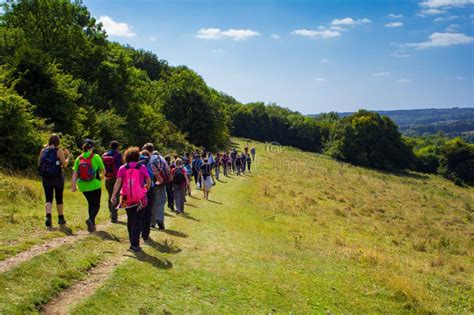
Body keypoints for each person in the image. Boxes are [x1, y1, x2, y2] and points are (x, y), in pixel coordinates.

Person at [111, 147, 151, 252]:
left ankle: (132, 240)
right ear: (137, 157)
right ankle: (135, 244)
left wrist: (113, 195)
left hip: (125, 197)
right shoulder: (142, 167)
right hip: (140, 197)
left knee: (130, 218)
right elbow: (148, 180)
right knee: (137, 220)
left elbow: (118, 182)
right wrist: (146, 189)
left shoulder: (122, 168)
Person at [38, 134, 72, 228]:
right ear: (58, 142)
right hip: (57, 178)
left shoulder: (43, 151)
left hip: (46, 178)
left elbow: (39, 164)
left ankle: (48, 217)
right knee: (59, 198)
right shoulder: (59, 151)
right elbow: (64, 164)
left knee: (48, 198)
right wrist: (68, 156)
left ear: (49, 141)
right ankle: (61, 218)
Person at [72, 139, 105, 232]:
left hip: (83, 186)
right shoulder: (96, 157)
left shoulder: (79, 158)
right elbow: (103, 171)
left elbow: (74, 173)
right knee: (96, 205)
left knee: (91, 203)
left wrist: (74, 186)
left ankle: (92, 225)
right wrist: (101, 177)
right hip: (95, 185)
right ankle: (90, 220)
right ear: (92, 148)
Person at [144, 144, 168, 230]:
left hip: (148, 184)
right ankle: (160, 219)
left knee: (151, 203)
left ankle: (152, 222)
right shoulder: (161, 158)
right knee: (160, 202)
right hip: (160, 184)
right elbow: (167, 170)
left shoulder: (145, 159)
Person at [102, 141, 122, 223]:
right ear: (118, 147)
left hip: (108, 177)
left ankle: (111, 212)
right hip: (116, 178)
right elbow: (121, 166)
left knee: (110, 195)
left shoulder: (104, 155)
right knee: (116, 196)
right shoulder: (118, 155)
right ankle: (114, 216)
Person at [139, 150, 155, 241]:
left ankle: (140, 229)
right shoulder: (149, 163)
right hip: (148, 189)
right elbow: (151, 176)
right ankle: (145, 233)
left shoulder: (137, 163)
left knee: (139, 210)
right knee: (148, 211)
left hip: (139, 190)